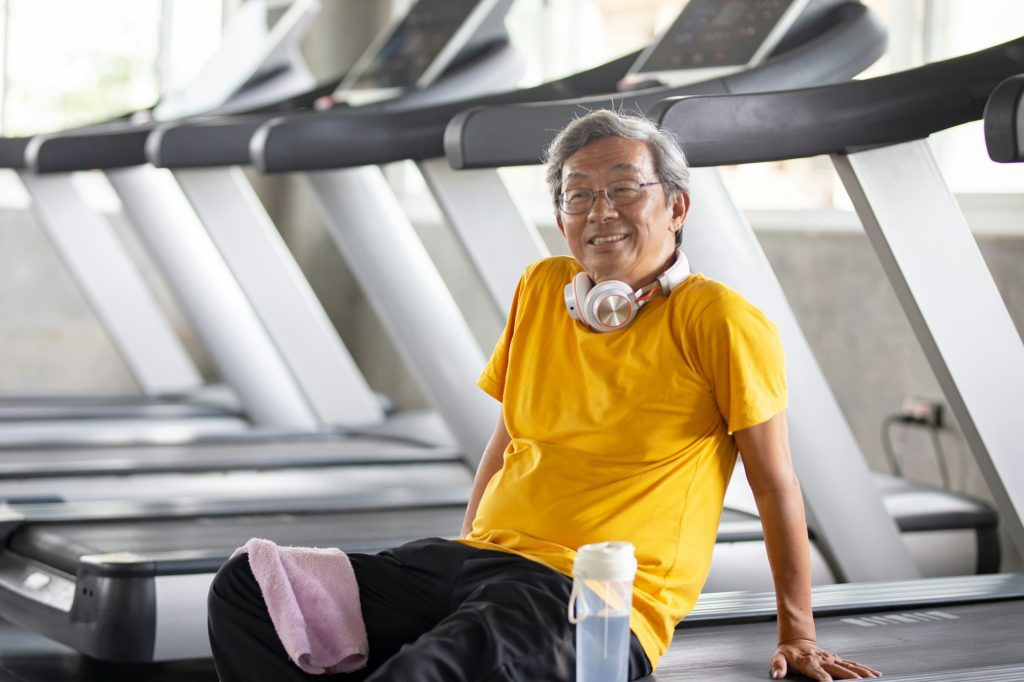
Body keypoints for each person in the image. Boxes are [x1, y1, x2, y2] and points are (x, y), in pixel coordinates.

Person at [207, 109, 881, 681]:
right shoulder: (542, 289)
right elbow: (506, 442)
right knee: (249, 587)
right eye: (577, 195)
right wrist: (466, 552)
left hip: (593, 596)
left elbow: (776, 485)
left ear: (676, 207)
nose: (600, 211)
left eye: (624, 188)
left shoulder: (720, 321)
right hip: (479, 563)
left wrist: (797, 631)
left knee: (424, 671)